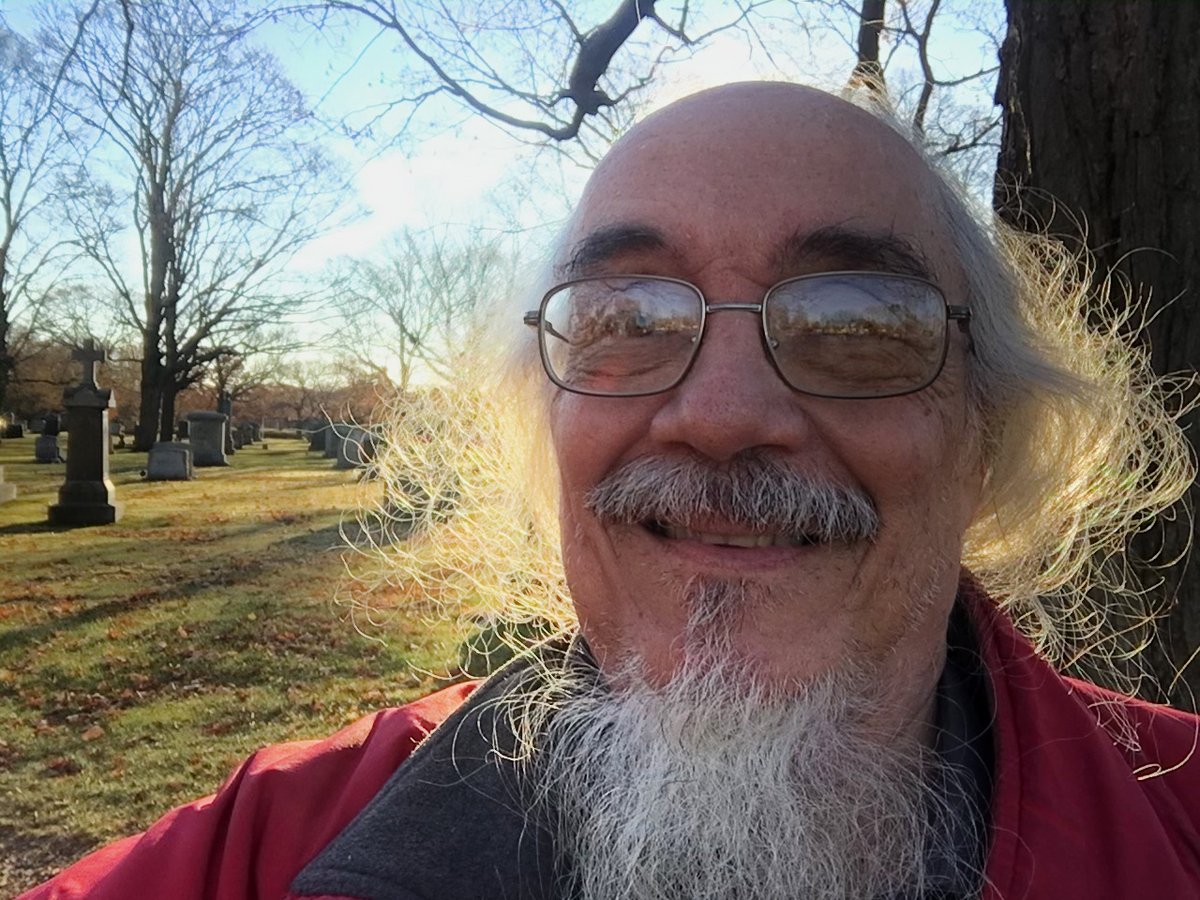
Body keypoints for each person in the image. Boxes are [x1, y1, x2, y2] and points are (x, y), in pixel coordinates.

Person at [22, 82, 1200, 900]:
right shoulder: (272, 846)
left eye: (856, 322)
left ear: (986, 437)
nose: (723, 414)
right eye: (624, 320)